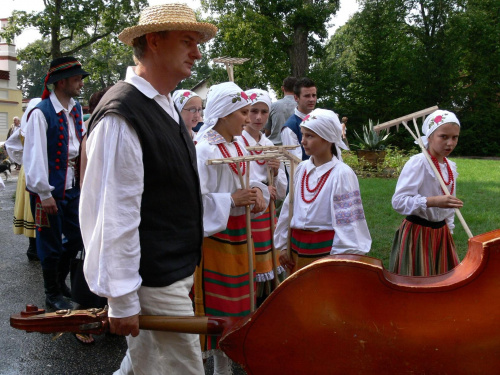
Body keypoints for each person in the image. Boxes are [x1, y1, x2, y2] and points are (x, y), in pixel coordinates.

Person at [79, 4, 217, 374]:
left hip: (169, 271)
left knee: (142, 366)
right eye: (188, 41)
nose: (198, 52)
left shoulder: (163, 105)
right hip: (153, 280)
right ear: (154, 41)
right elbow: (113, 214)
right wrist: (122, 300)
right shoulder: (123, 114)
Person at [194, 82, 269, 375]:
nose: (248, 118)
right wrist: (231, 200)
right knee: (215, 303)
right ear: (225, 114)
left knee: (239, 302)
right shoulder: (204, 149)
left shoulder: (239, 145)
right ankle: (209, 361)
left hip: (240, 232)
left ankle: (225, 360)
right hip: (215, 238)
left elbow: (251, 178)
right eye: (242, 112)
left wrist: (257, 193)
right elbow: (194, 199)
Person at [23, 56, 88, 311]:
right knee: (49, 244)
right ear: (60, 83)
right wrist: (43, 193)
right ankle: (52, 293)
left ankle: (60, 283)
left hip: (72, 187)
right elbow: (34, 155)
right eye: (76, 79)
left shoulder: (75, 109)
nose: (80, 83)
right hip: (48, 191)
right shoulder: (41, 112)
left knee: (77, 237)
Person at [276, 108, 372, 274]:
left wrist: (338, 260)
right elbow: (289, 206)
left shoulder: (341, 173)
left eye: (309, 136)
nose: (303, 141)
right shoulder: (302, 168)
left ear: (328, 138)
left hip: (324, 253)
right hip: (296, 248)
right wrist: (284, 245)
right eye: (303, 135)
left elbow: (348, 222)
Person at [390, 110, 462, 276]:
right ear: (429, 137)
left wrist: (449, 230)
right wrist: (432, 201)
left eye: (455, 137)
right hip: (417, 234)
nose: (450, 143)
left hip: (441, 233)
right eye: (443, 136)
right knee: (419, 279)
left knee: (442, 279)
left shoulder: (450, 167)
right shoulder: (418, 163)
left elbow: (449, 204)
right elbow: (399, 201)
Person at [235, 88, 287, 305]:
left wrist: (275, 173)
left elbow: (282, 190)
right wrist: (262, 189)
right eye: (253, 111)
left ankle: (266, 303)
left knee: (269, 268)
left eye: (264, 112)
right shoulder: (236, 143)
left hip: (267, 218)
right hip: (245, 214)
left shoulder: (269, 146)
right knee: (247, 263)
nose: (257, 117)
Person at [5, 98, 42, 261]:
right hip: (35, 168)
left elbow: (11, 145)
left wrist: (22, 160)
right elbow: (11, 145)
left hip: (28, 168)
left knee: (31, 207)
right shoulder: (34, 127)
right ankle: (35, 247)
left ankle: (34, 247)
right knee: (35, 206)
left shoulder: (24, 129)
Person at [281, 77, 317, 161]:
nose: (311, 99)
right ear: (296, 98)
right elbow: (294, 165)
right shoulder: (290, 127)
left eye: (314, 95)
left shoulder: (321, 119)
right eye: (307, 96)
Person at [264, 76, 297, 145]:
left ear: (282, 88)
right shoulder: (301, 107)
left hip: (275, 147)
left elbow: (267, 132)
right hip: (295, 147)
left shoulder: (273, 106)